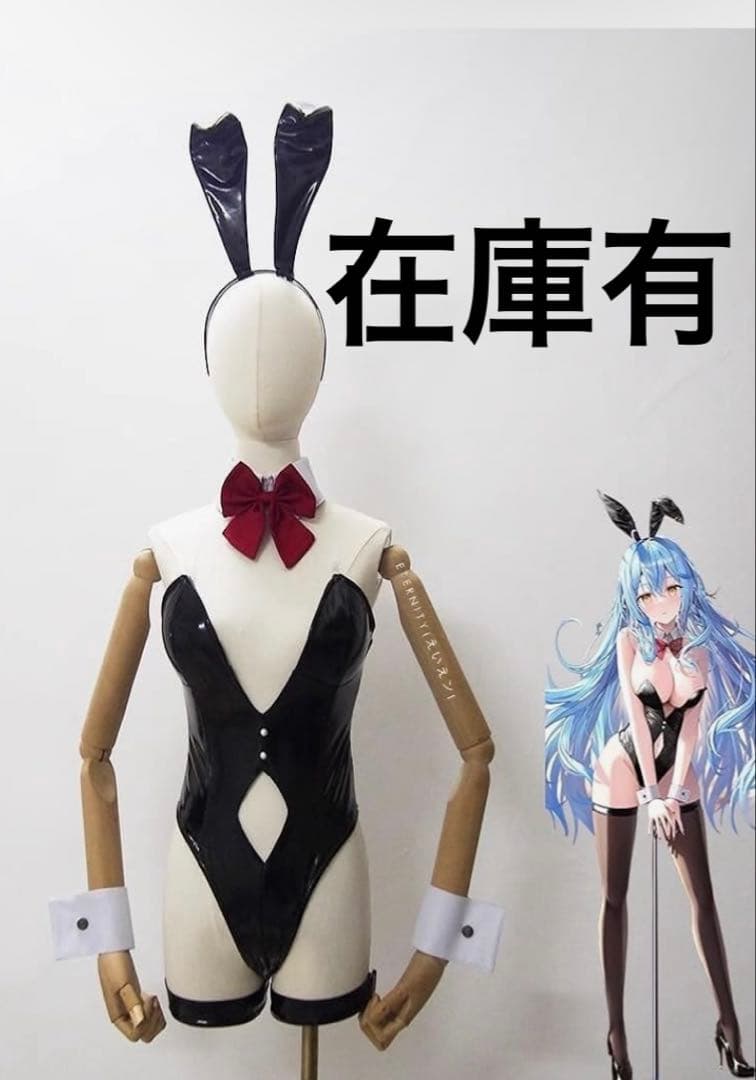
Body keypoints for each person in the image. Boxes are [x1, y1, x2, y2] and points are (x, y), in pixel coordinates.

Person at [545, 491, 755, 1079]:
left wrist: (674, 792)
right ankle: (616, 1034)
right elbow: (638, 722)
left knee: (703, 899)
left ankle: (730, 1027)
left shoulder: (700, 651)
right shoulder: (629, 643)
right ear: (632, 599)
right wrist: (649, 796)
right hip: (624, 768)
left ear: (685, 585)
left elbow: (691, 729)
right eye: (645, 595)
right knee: (614, 898)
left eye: (669, 589)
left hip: (674, 772)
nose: (660, 603)